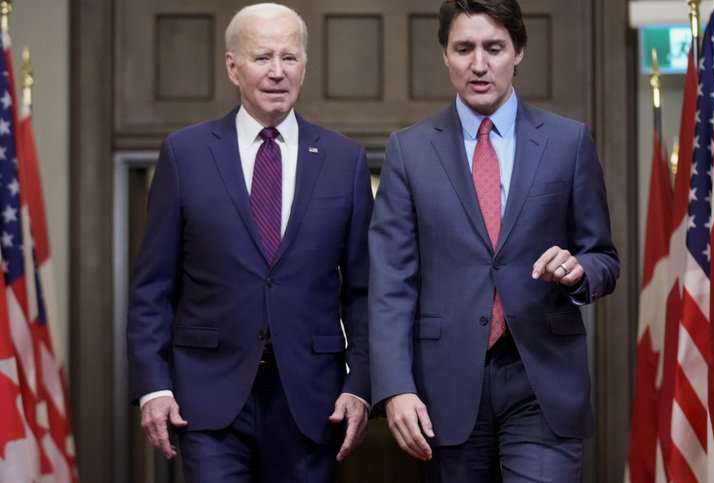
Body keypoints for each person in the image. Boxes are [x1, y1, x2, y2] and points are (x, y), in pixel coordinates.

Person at [368, 0, 620, 481]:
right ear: (445, 55)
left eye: (494, 47)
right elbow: (390, 284)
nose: (478, 64)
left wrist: (579, 270)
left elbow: (604, 256)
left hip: (541, 376)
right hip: (444, 385)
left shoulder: (568, 142)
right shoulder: (409, 151)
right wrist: (395, 386)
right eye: (464, 48)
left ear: (518, 51)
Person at [126, 3, 373, 482]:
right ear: (232, 66)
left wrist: (360, 384)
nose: (278, 72)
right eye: (262, 58)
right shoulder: (186, 154)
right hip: (207, 397)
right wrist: (154, 386)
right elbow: (151, 288)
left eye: (290, 57)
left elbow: (364, 292)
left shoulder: (346, 160)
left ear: (305, 64)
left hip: (313, 399)